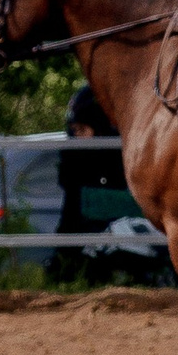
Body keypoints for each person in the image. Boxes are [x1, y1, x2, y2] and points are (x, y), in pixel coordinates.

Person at [51, 83, 133, 283]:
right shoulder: (73, 160)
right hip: (78, 243)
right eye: (74, 131)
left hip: (116, 244)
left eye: (82, 130)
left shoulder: (120, 158)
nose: (76, 137)